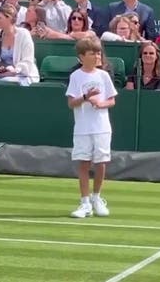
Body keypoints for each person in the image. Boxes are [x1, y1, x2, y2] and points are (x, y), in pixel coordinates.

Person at [65, 37, 117, 218]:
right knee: (84, 163)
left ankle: (97, 198)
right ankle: (85, 202)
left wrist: (101, 104)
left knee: (101, 162)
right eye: (92, 53)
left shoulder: (103, 75)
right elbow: (71, 103)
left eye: (98, 52)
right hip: (82, 128)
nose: (96, 56)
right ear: (81, 57)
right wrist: (86, 97)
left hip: (102, 127)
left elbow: (111, 100)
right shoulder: (75, 76)